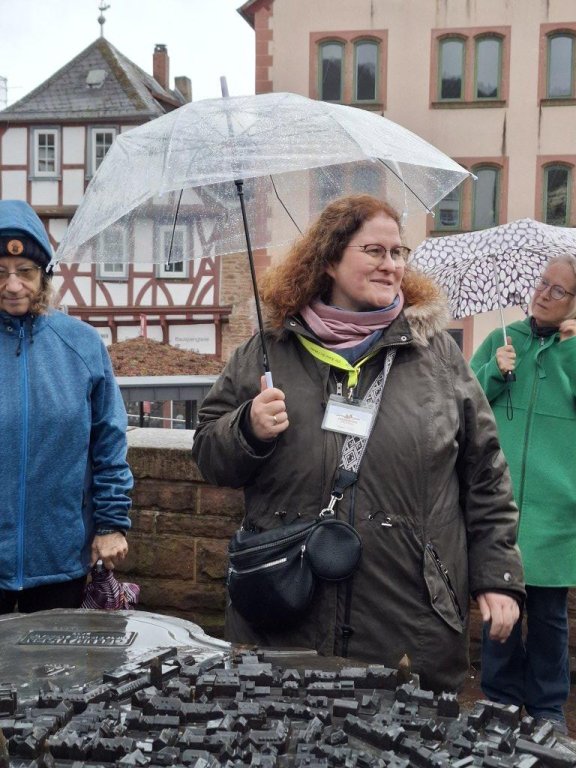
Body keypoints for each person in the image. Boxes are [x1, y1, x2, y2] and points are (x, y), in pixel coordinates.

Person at [192, 194, 524, 693]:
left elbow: (486, 473)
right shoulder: (268, 351)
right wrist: (247, 429)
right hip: (284, 615)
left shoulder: (437, 357)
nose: (391, 265)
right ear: (329, 259)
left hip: (408, 619)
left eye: (398, 252)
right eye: (374, 251)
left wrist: (497, 576)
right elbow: (208, 454)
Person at [0, 199, 133, 614]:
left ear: (44, 276)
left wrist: (111, 523)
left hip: (60, 559)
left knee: (53, 658)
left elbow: (109, 442)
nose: (12, 285)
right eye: (0, 272)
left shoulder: (82, 344)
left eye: (25, 272)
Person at [470, 253, 576, 733]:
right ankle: (500, 701)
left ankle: (549, 708)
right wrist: (494, 371)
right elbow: (462, 402)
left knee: (550, 617)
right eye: (543, 283)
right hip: (502, 507)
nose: (543, 294)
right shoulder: (501, 338)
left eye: (558, 290)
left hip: (557, 511)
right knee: (500, 607)